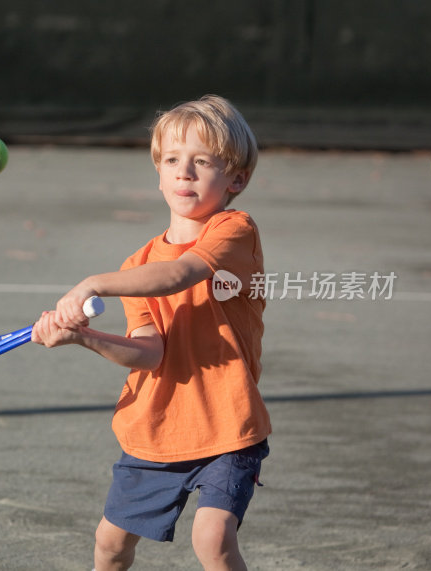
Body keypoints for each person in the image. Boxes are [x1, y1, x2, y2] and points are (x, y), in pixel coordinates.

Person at [31, 94, 272, 571]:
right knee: (110, 545)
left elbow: (180, 274)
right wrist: (82, 337)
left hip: (228, 427)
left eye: (202, 162)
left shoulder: (234, 230)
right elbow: (148, 352)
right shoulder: (136, 265)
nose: (184, 172)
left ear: (236, 180)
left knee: (213, 537)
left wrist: (91, 284)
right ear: (159, 173)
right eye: (172, 160)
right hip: (155, 430)